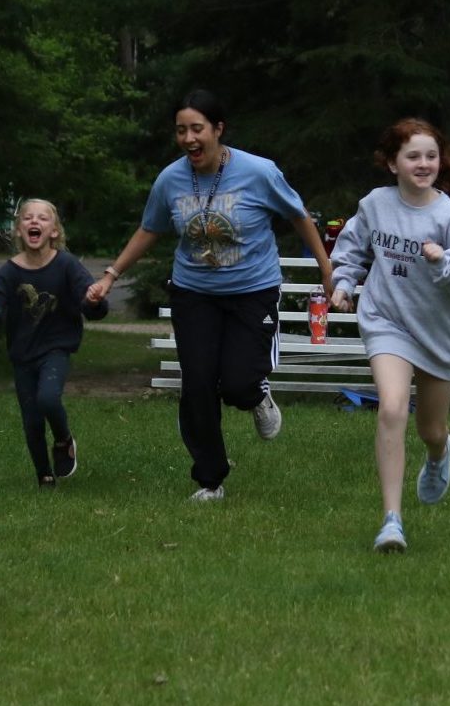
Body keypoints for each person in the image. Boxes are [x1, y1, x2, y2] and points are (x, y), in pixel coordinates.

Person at [85, 89, 334, 502]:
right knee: (198, 385)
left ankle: (256, 394)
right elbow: (150, 228)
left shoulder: (259, 172)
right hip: (194, 292)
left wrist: (327, 270)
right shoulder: (170, 179)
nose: (188, 139)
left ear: (218, 130)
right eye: (181, 130)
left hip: (252, 291)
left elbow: (298, 215)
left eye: (197, 129)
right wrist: (111, 275)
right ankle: (209, 480)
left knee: (236, 383)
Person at [330, 118, 450, 553]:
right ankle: (391, 521)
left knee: (430, 429)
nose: (424, 164)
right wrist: (344, 284)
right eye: (413, 156)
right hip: (387, 321)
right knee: (392, 408)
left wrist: (448, 260)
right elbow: (351, 249)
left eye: (431, 156)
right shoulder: (375, 205)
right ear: (392, 163)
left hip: (438, 333)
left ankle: (440, 454)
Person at [0, 199, 108, 487]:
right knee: (31, 418)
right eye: (28, 218)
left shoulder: (66, 264)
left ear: (54, 231)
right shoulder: (9, 271)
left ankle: (63, 440)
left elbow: (89, 299)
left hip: (56, 347)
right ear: (19, 230)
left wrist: (94, 300)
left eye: (43, 219)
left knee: (47, 398)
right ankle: (44, 474)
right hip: (22, 353)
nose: (35, 222)